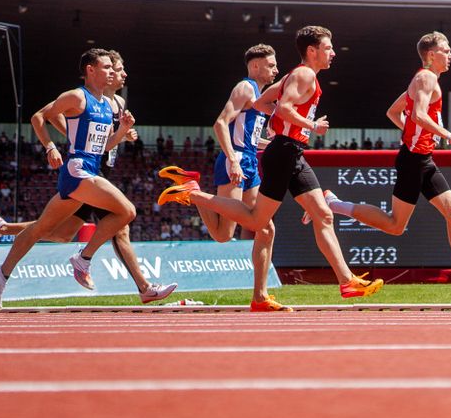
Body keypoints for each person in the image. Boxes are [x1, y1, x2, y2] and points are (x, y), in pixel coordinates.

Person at [159, 26, 382, 310]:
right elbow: (282, 107)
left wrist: (282, 127)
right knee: (250, 223)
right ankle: (194, 194)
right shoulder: (303, 75)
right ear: (312, 51)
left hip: (286, 151)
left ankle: (340, 282)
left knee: (316, 216)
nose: (333, 52)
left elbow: (266, 103)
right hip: (279, 154)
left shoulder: (291, 77)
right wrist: (310, 125)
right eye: (328, 48)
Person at [0, 51, 177, 304]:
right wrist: (50, 146)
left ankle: (1, 273)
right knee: (127, 211)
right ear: (90, 70)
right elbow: (39, 117)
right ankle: (84, 258)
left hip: (90, 170)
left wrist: (123, 131)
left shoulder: (105, 105)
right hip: (78, 170)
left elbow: (104, 147)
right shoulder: (76, 96)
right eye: (107, 68)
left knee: (43, 229)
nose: (113, 73)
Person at [329, 32, 451, 297]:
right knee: (395, 225)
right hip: (412, 161)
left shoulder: (426, 80)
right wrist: (445, 134)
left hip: (424, 159)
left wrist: (415, 133)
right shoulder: (425, 77)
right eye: (447, 50)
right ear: (432, 55)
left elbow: (394, 111)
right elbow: (419, 114)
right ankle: (334, 204)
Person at [197, 44, 278, 245]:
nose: (276, 70)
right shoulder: (245, 87)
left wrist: (272, 145)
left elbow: (249, 137)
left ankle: (261, 277)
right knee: (224, 234)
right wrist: (233, 160)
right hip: (237, 159)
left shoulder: (260, 97)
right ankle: (192, 193)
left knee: (264, 227)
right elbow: (220, 123)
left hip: (250, 160)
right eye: (271, 65)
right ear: (256, 66)